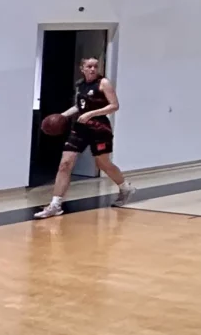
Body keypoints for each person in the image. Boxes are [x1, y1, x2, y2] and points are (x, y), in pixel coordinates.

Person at [33, 55, 131, 217]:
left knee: (103, 164)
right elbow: (80, 106)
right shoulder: (81, 85)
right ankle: (55, 204)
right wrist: (62, 116)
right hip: (80, 128)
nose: (93, 69)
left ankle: (125, 187)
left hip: (100, 128)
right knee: (65, 163)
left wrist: (91, 114)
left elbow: (114, 105)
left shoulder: (103, 83)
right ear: (82, 69)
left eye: (95, 66)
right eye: (89, 66)